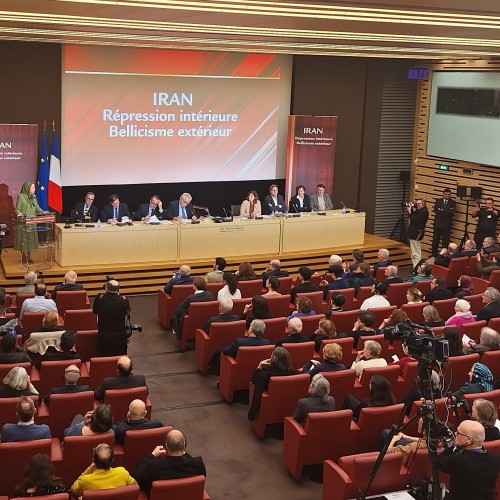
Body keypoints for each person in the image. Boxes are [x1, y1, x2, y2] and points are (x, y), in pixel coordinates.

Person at [436, 419, 500, 500]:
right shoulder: (496, 458)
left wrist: (455, 446)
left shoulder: (459, 460)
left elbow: (439, 461)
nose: (455, 434)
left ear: (468, 441)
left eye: (458, 433)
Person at [133, 428, 206, 498]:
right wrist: (184, 452)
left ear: (166, 446)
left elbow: (136, 476)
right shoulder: (198, 464)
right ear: (184, 445)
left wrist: (152, 455)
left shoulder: (153, 466)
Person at [247, 346, 296, 421]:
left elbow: (254, 381)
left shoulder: (264, 374)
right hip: (286, 403)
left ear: (274, 358)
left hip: (268, 404)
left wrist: (259, 366)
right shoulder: (292, 373)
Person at [71, 443, 137, 497]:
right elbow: (134, 485)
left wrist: (89, 469)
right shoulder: (122, 473)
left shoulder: (85, 480)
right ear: (113, 459)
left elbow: (74, 491)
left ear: (93, 460)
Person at [93, 279, 130, 356]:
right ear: (118, 290)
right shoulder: (124, 300)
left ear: (106, 288)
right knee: (120, 358)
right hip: (120, 336)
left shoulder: (99, 298)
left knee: (103, 359)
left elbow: (95, 311)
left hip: (103, 334)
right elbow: (127, 311)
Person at [14, 181, 44, 262]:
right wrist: (19, 214)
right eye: (33, 187)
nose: (34, 189)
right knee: (24, 239)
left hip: (32, 222)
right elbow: (17, 209)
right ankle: (24, 256)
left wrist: (44, 212)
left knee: (30, 240)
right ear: (28, 188)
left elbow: (37, 208)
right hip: (23, 222)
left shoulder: (34, 196)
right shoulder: (21, 197)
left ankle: (29, 257)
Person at [431, 187, 456, 256]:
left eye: (449, 194)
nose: (447, 195)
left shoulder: (453, 203)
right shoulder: (438, 201)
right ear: (443, 194)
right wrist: (446, 210)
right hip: (438, 224)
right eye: (446, 194)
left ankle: (443, 255)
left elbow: (451, 212)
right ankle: (434, 254)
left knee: (445, 241)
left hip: (447, 225)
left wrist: (442, 210)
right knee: (435, 239)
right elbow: (435, 210)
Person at [406, 198, 429, 268]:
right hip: (414, 233)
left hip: (416, 233)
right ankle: (416, 267)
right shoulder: (420, 210)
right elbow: (414, 215)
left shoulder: (423, 212)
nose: (417, 205)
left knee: (416, 253)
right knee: (414, 252)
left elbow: (415, 220)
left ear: (423, 204)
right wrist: (411, 209)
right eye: (417, 203)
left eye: (419, 204)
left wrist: (409, 212)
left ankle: (416, 267)